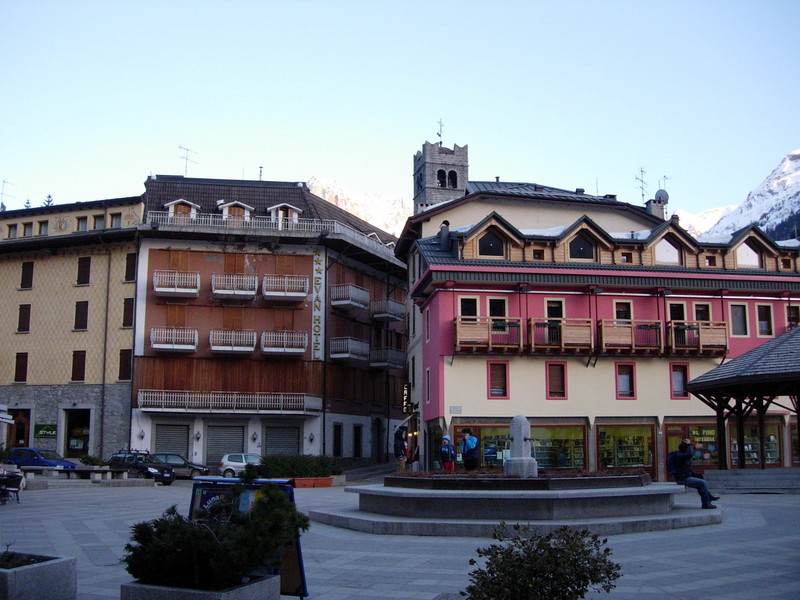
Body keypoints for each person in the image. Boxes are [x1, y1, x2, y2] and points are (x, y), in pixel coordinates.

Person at [667, 438, 720, 509]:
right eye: (689, 448)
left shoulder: (682, 456)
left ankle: (708, 498)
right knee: (702, 483)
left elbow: (687, 468)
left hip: (684, 477)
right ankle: (706, 503)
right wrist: (689, 444)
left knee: (700, 482)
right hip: (682, 479)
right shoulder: (679, 455)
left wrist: (695, 474)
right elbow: (690, 454)